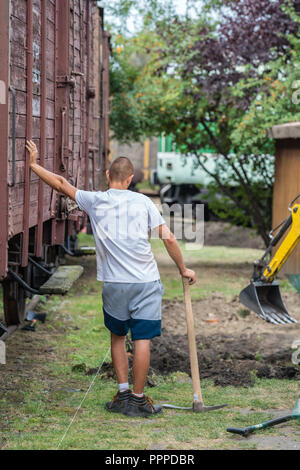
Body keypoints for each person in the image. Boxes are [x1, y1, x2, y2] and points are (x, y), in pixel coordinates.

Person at [26, 140, 196, 418]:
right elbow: (169, 238)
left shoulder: (95, 200)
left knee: (117, 337)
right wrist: (183, 269)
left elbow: (60, 184)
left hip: (115, 285)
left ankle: (123, 394)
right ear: (130, 180)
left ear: (108, 176)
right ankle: (138, 401)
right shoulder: (144, 202)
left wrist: (33, 165)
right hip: (146, 282)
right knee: (142, 339)